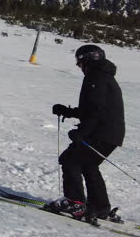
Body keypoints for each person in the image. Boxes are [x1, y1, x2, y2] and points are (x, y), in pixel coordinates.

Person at [50, 44, 125, 221]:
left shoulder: (96, 77)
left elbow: (97, 111)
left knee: (71, 160)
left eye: (79, 62)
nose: (78, 66)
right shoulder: (102, 76)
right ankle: (99, 208)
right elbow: (93, 109)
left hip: (101, 132)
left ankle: (75, 203)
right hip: (110, 134)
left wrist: (82, 133)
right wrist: (68, 112)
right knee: (89, 165)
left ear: (87, 60)